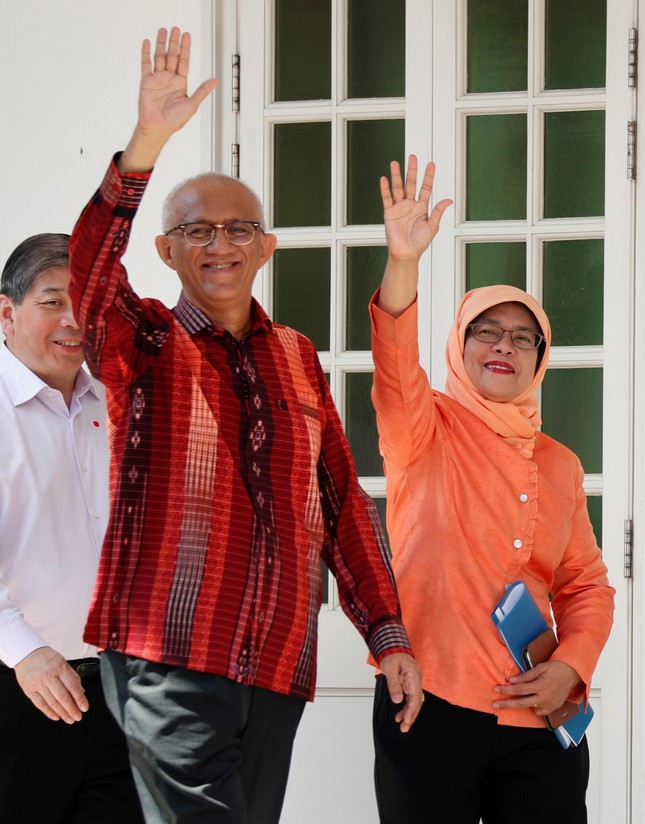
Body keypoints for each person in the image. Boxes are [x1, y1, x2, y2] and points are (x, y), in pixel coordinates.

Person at [68, 27, 422, 824]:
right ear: (166, 248)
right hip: (172, 654)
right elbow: (87, 281)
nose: (220, 244)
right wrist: (146, 143)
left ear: (266, 246)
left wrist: (388, 632)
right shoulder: (145, 340)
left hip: (276, 665)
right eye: (198, 230)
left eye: (237, 230)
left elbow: (340, 506)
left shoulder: (296, 356)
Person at [369, 156, 615, 824]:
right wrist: (403, 263)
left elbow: (586, 585)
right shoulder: (423, 429)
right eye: (486, 330)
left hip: (539, 712)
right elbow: (394, 365)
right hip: (429, 699)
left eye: (522, 337)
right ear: (460, 344)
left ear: (541, 359)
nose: (503, 346)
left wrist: (572, 665)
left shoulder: (560, 462)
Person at [0, 233, 144, 823]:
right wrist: (25, 652)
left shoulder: (113, 405)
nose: (74, 321)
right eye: (53, 301)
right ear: (6, 313)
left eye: (86, 303)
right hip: (18, 689)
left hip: (117, 689)